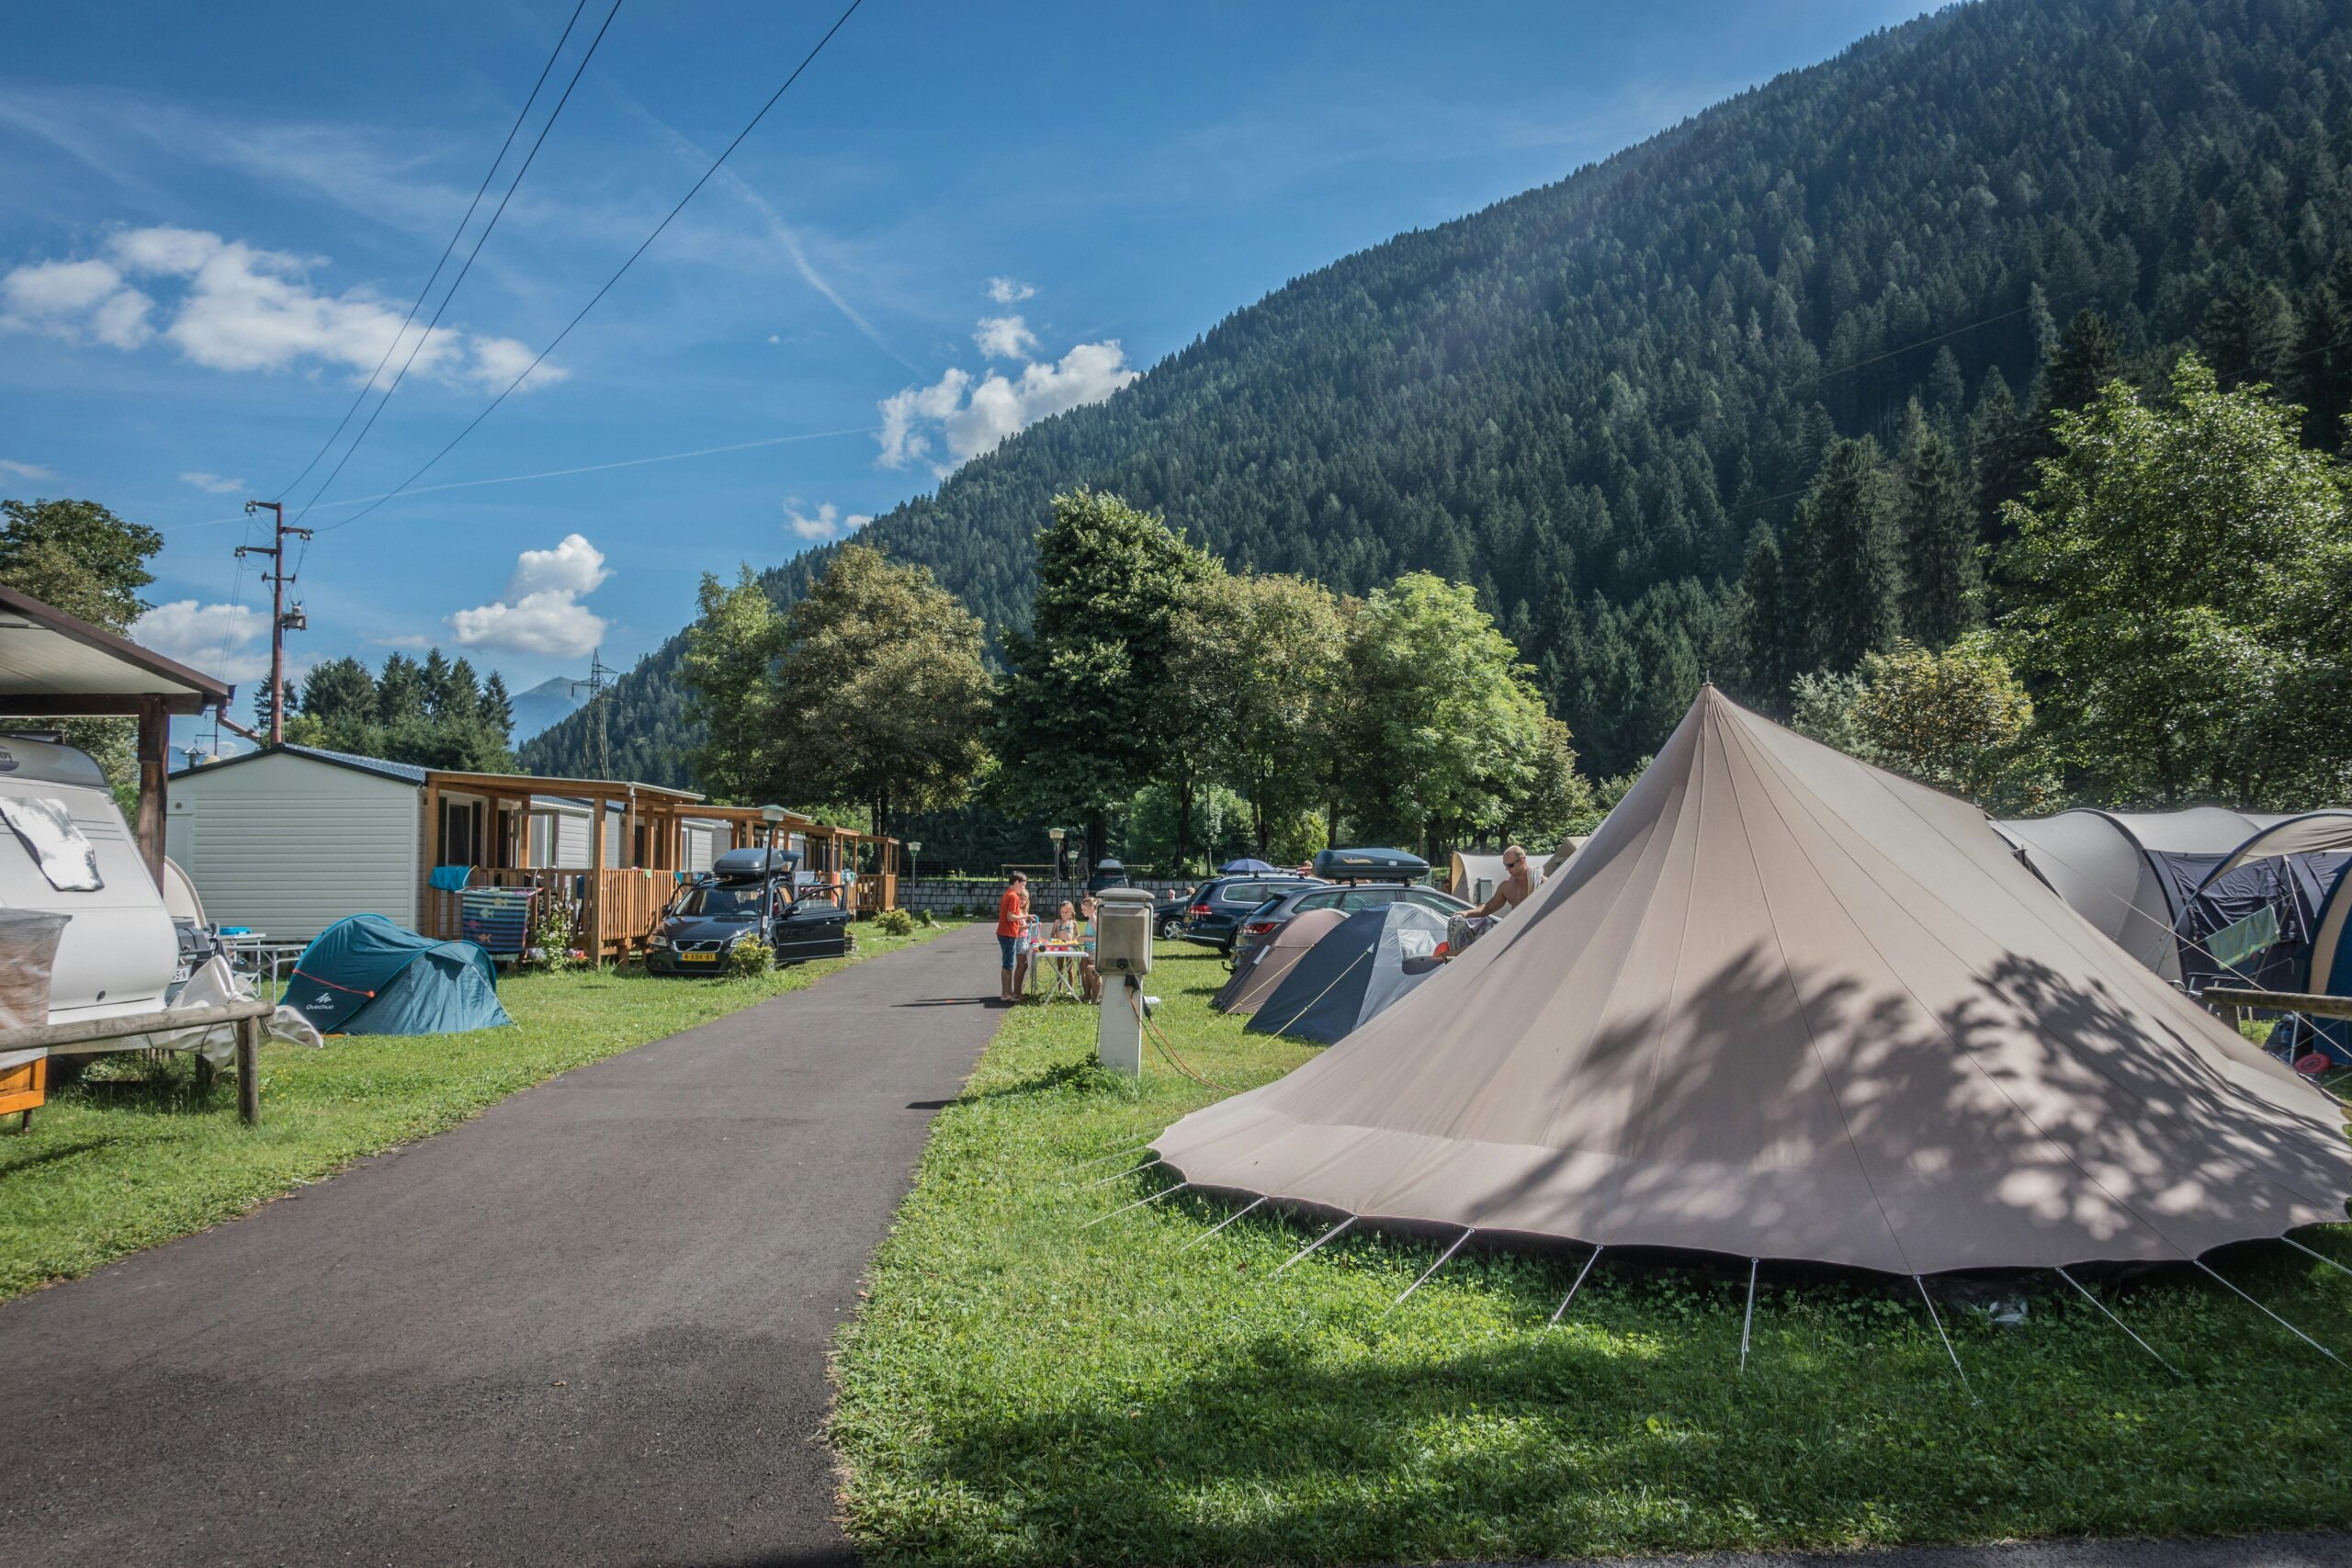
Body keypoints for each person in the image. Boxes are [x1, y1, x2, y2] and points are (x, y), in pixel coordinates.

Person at [1464, 844, 1538, 919]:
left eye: (1510, 865)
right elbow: (1488, 908)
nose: (1507, 869)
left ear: (1522, 861)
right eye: (1505, 865)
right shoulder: (1507, 886)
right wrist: (1466, 913)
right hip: (1517, 924)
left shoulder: (1539, 883)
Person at [996, 871, 1031, 1002]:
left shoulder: (1008, 894)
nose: (1024, 888)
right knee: (1008, 965)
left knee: (1009, 964)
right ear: (1016, 882)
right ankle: (1005, 993)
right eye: (1023, 885)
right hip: (1008, 933)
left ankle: (1009, 992)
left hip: (1005, 933)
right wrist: (1025, 916)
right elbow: (1010, 917)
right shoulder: (1013, 896)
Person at [1077, 894, 1103, 1002]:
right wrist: (1082, 936)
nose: (1082, 911)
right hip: (1088, 949)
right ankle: (1087, 994)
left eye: (1084, 909)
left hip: (1093, 950)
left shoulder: (1094, 920)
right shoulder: (1089, 920)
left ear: (1091, 909)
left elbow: (1099, 937)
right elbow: (1090, 934)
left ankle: (1097, 995)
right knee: (1083, 969)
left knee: (1093, 973)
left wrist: (1084, 938)